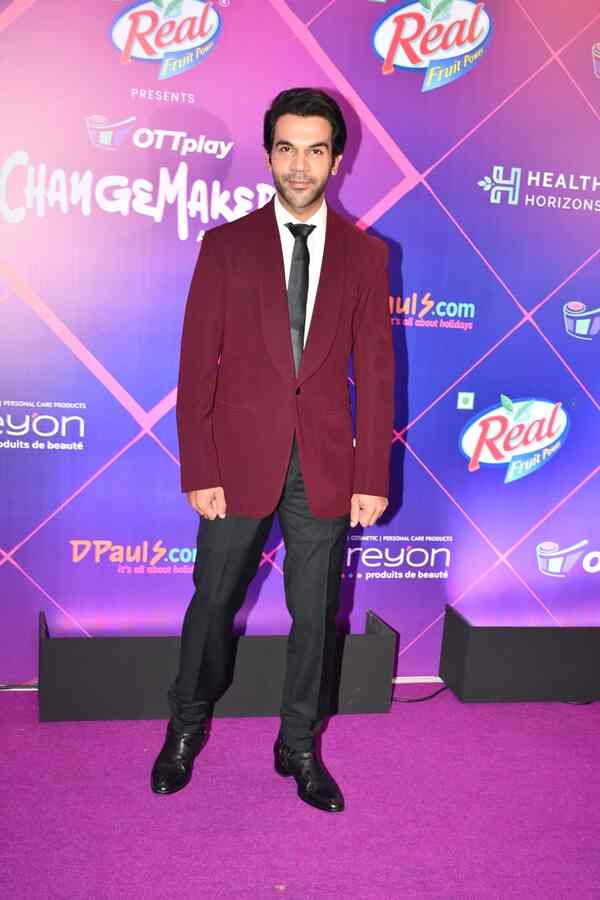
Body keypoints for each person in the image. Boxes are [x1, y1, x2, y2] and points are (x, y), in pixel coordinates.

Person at [151, 87, 395, 813]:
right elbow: (197, 365)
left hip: (324, 467)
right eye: (285, 148)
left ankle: (298, 746)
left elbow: (377, 373)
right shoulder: (225, 246)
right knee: (213, 603)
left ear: (336, 160)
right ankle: (185, 728)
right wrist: (199, 466)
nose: (299, 164)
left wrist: (370, 474)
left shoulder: (366, 254)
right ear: (268, 154)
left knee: (317, 617)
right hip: (235, 464)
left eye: (314, 149)